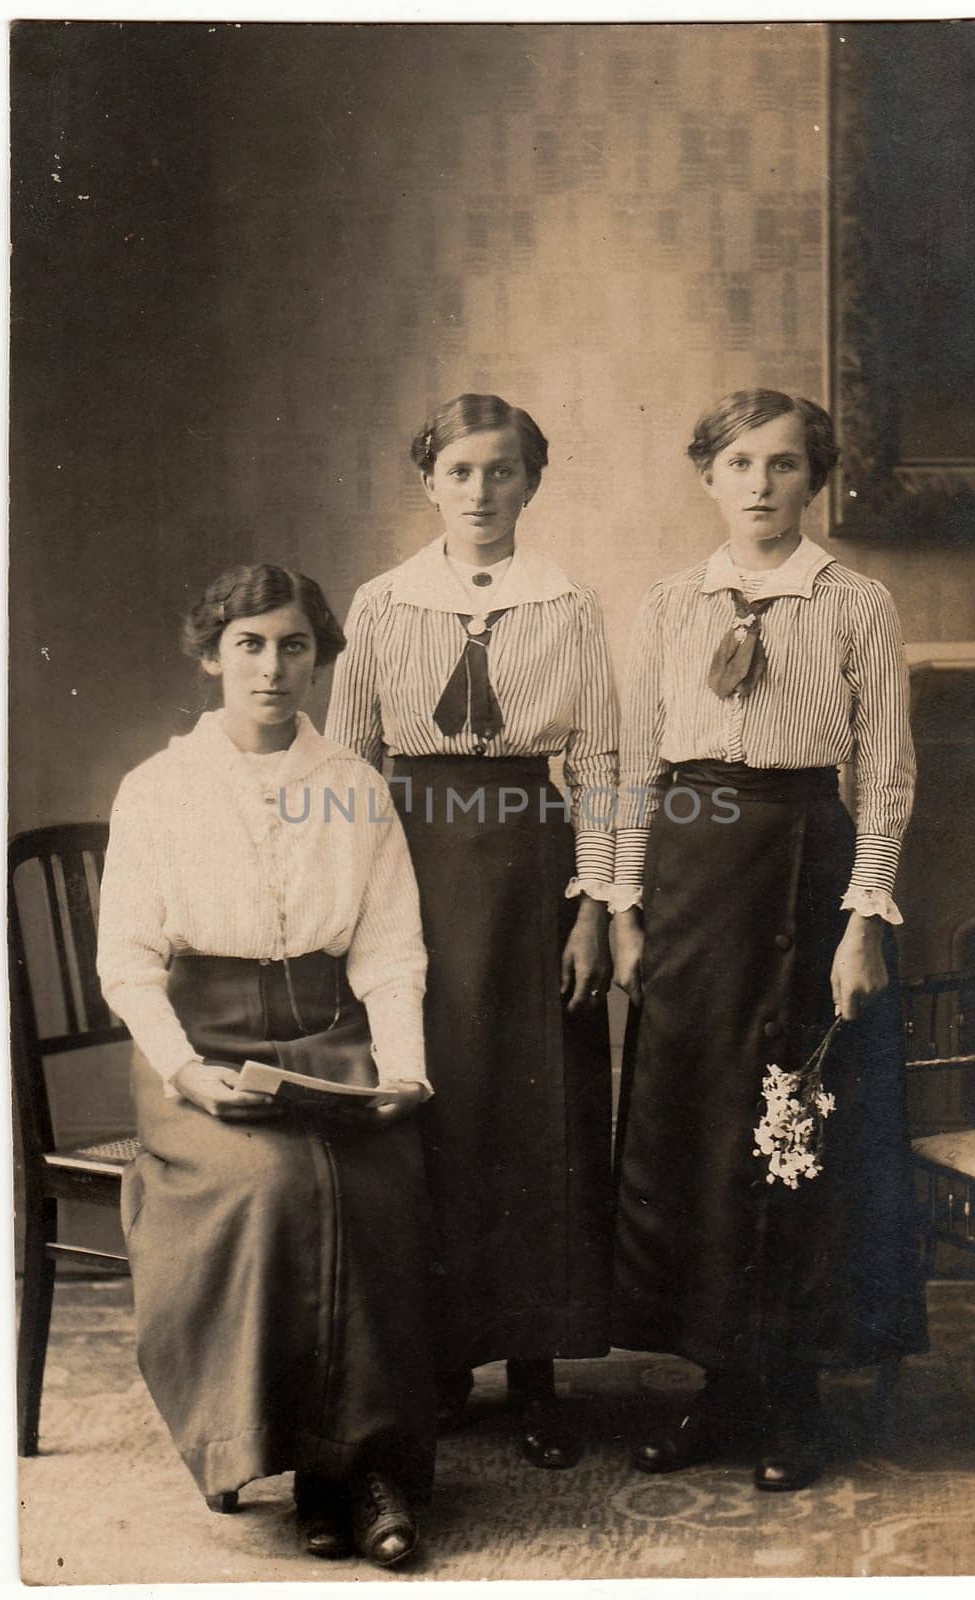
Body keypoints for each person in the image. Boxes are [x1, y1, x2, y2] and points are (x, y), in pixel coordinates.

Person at [610, 389, 928, 1492]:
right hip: (693, 880)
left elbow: (884, 779)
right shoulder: (666, 605)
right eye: (738, 462)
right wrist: (624, 910)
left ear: (815, 479)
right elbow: (636, 767)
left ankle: (792, 1393)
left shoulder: (858, 604)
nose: (759, 484)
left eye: (784, 465)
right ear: (708, 474)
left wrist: (861, 925)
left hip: (806, 873)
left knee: (796, 1126)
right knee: (697, 1125)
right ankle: (720, 1385)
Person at [97, 563, 435, 1566]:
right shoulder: (158, 789)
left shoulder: (355, 786)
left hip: (330, 1044)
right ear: (210, 656)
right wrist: (182, 1070)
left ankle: (352, 1472)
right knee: (276, 1182)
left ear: (319, 658)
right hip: (205, 1056)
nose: (272, 666)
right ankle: (294, 1461)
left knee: (380, 1175)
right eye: (248, 643)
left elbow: (390, 951)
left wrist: (403, 1072)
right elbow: (127, 962)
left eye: (294, 645)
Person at [325, 393, 617, 1469]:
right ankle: (441, 1359)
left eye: (503, 471)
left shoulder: (568, 605)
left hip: (532, 866)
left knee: (536, 1115)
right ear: (429, 482)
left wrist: (593, 906)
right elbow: (350, 769)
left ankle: (535, 1369)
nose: (482, 492)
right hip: (414, 866)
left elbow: (603, 769)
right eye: (460, 471)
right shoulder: (383, 604)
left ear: (531, 484)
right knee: (432, 1108)